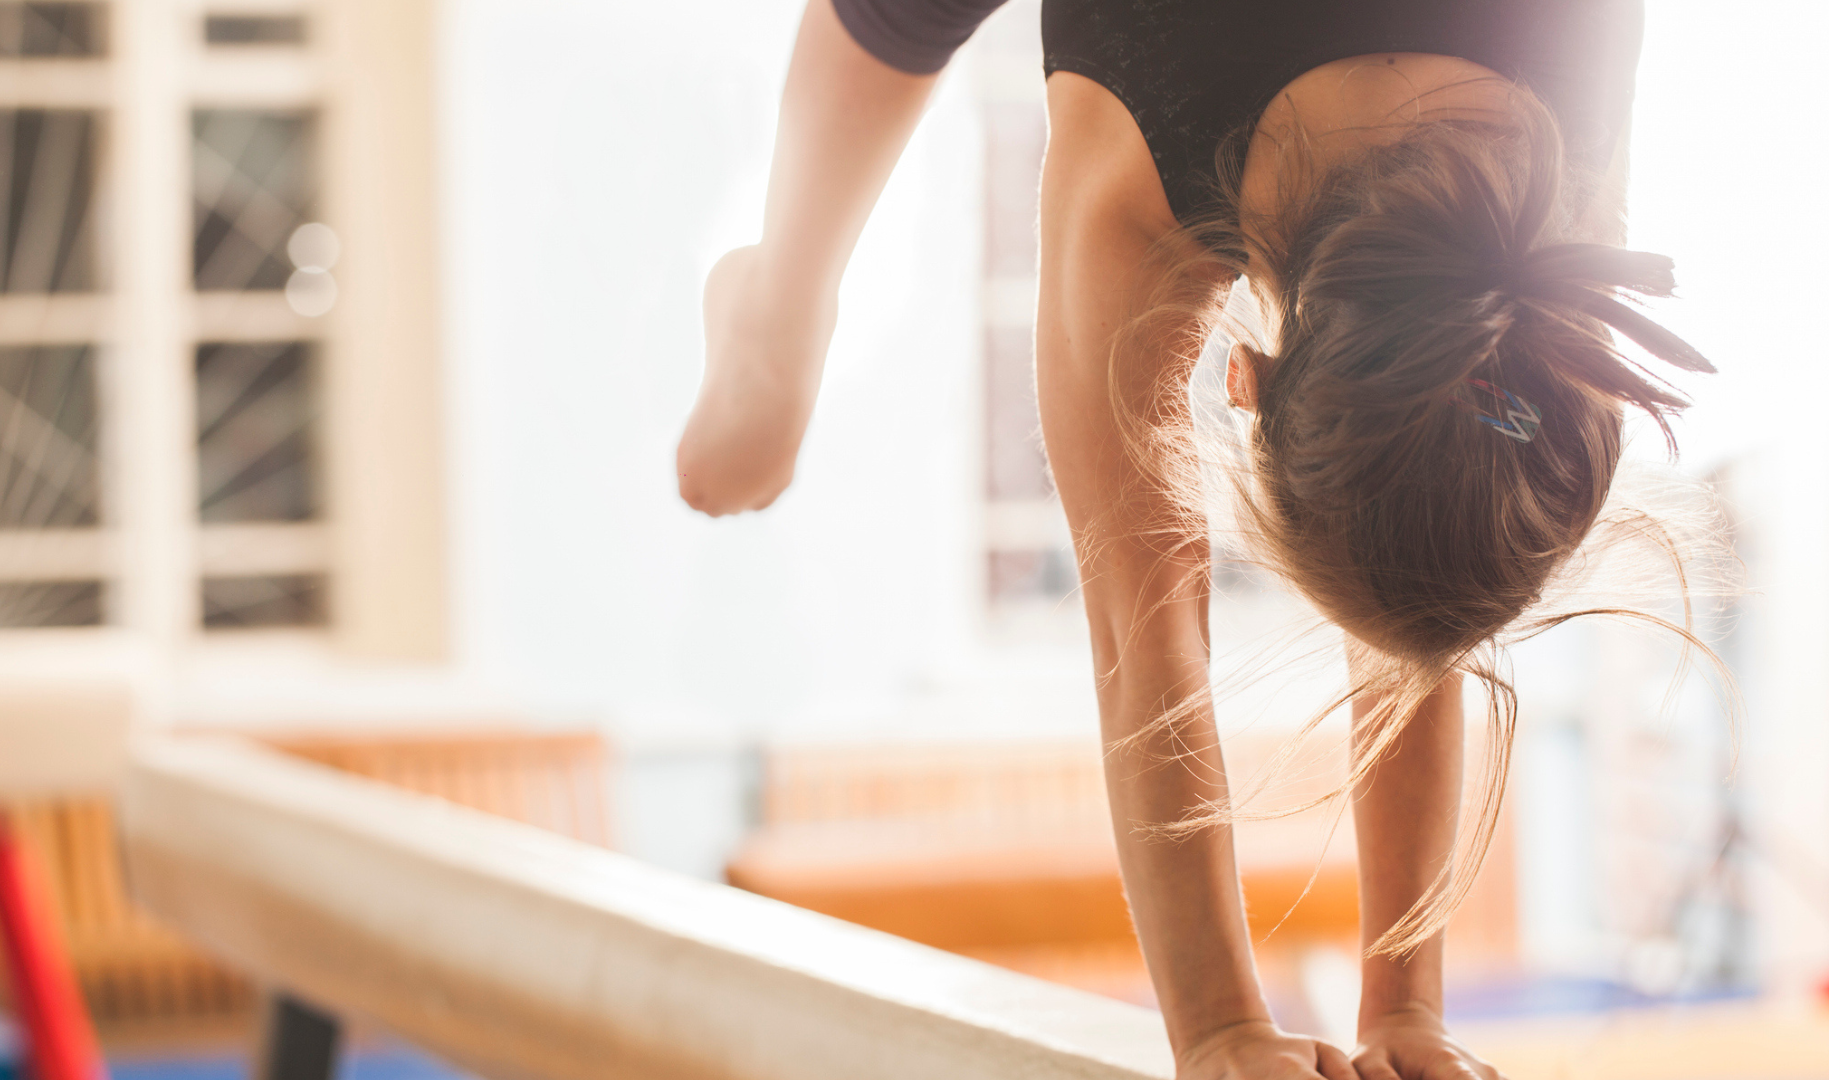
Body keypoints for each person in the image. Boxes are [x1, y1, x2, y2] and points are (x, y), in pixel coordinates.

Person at [675, 2, 1718, 1078]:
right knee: (745, 438)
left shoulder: (1559, 203)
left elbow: (1445, 510)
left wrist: (1406, 1011)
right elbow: (1143, 634)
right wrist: (1218, 1026)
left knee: (1427, 472)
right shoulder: (1134, 174)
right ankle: (775, 316)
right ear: (1246, 381)